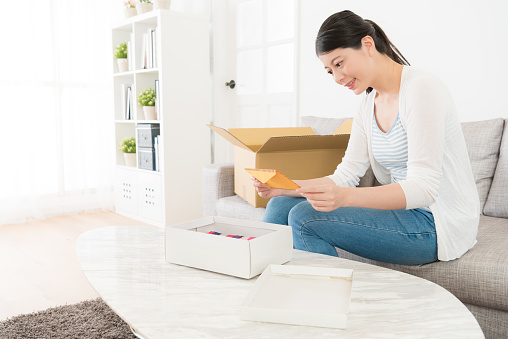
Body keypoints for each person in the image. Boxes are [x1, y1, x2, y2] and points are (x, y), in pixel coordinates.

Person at [253, 10, 480, 265]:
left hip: (435, 223)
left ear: (367, 45)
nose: (337, 78)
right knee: (280, 205)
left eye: (339, 64)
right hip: (401, 212)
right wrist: (286, 186)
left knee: (305, 217)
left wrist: (345, 198)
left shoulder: (421, 89)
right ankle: (265, 285)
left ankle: (326, 299)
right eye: (329, 71)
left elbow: (424, 188)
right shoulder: (367, 104)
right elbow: (345, 176)